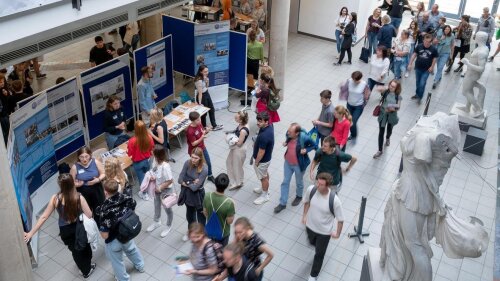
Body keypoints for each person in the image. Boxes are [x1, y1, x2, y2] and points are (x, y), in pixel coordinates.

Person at [24, 174, 96, 278]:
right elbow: (89, 214)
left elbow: (44, 217)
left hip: (65, 231)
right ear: (72, 183)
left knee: (75, 251)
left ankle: (83, 267)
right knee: (84, 248)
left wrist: (30, 233)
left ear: (60, 185)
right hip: (79, 228)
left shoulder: (55, 198)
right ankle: (86, 271)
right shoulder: (79, 197)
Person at [95, 180, 145, 281]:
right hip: (127, 233)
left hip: (114, 240)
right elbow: (132, 209)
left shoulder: (104, 210)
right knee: (132, 250)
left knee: (117, 261)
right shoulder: (127, 198)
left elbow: (104, 235)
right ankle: (140, 266)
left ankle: (123, 279)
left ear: (105, 192)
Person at [302, 173, 344, 281]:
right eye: (317, 182)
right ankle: (317, 246)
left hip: (324, 233)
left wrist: (338, 233)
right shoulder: (311, 190)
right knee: (311, 242)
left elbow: (340, 219)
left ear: (327, 186)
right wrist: (304, 215)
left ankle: (313, 275)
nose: (317, 185)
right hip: (310, 227)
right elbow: (306, 202)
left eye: (321, 184)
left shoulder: (334, 201)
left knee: (319, 254)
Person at [274, 123, 317, 214]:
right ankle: (282, 203)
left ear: (297, 133)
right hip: (288, 163)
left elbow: (315, 145)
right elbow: (288, 137)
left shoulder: (304, 138)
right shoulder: (288, 135)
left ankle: (299, 196)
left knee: (299, 181)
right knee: (285, 182)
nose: (288, 132)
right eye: (288, 130)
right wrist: (286, 142)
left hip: (298, 165)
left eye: (290, 132)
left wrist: (306, 150)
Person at [179, 147, 209, 242]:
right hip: (188, 194)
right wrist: (191, 182)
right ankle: (191, 231)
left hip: (199, 195)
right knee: (190, 215)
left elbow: (195, 188)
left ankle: (201, 233)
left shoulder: (204, 169)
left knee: (201, 216)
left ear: (200, 158)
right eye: (192, 157)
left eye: (196, 158)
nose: (193, 160)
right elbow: (179, 179)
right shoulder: (187, 163)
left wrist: (187, 181)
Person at [146, 145, 174, 238]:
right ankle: (157, 221)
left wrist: (161, 187)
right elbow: (154, 170)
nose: (151, 152)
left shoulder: (165, 166)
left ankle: (169, 225)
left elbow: (170, 180)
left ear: (157, 155)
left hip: (165, 190)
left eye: (153, 152)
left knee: (167, 209)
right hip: (157, 188)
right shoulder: (154, 160)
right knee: (157, 205)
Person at [70, 146, 106, 212]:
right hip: (83, 191)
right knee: (87, 211)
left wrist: (98, 180)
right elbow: (70, 183)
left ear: (90, 155)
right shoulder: (75, 167)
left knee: (99, 210)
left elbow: (103, 173)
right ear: (78, 157)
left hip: (97, 189)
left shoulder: (95, 162)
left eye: (86, 156)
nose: (84, 159)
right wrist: (77, 185)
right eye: (81, 157)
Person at [373, 79, 402, 159]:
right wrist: (386, 87)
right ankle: (379, 150)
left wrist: (390, 108)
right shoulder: (386, 92)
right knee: (381, 132)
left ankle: (388, 138)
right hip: (383, 114)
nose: (391, 87)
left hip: (391, 115)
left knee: (389, 129)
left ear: (397, 88)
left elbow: (398, 107)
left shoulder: (398, 96)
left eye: (393, 86)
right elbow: (377, 88)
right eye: (390, 85)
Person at [203, 173, 235, 246]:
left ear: (215, 183)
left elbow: (205, 213)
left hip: (209, 231)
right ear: (226, 186)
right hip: (223, 234)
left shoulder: (207, 196)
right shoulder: (229, 203)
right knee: (221, 253)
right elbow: (229, 221)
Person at [127, 120, 154, 201]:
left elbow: (129, 153)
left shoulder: (132, 141)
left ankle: (144, 193)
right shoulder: (149, 137)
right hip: (148, 160)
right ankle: (149, 188)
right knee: (147, 175)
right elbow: (152, 147)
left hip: (138, 163)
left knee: (141, 178)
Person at [340, 71, 370, 141]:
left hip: (358, 106)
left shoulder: (364, 84)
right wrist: (341, 85)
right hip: (349, 104)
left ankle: (353, 135)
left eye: (355, 80)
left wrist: (366, 96)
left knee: (353, 121)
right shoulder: (349, 81)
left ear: (359, 79)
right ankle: (352, 133)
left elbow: (367, 95)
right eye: (353, 79)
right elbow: (344, 88)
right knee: (348, 120)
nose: (353, 81)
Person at [252, 111, 275, 205]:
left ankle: (265, 195)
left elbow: (261, 151)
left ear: (266, 122)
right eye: (258, 120)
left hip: (262, 160)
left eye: (260, 121)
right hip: (267, 158)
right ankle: (264, 189)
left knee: (263, 178)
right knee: (265, 174)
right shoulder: (269, 127)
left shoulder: (265, 136)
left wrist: (257, 162)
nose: (258, 123)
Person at [408, 34, 438, 102]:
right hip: (418, 68)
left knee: (422, 83)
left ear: (431, 42)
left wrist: (432, 67)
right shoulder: (419, 46)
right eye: (426, 41)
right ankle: (417, 94)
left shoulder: (433, 49)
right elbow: (414, 55)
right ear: (423, 40)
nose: (427, 43)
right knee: (418, 82)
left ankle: (420, 97)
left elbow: (435, 58)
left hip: (426, 70)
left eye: (429, 42)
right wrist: (410, 64)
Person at [187, 111, 215, 183]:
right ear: (193, 121)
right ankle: (196, 179)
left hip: (202, 147)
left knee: (208, 162)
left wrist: (207, 131)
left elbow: (202, 132)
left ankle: (210, 175)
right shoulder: (190, 131)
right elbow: (193, 143)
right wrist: (202, 138)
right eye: (198, 120)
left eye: (199, 118)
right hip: (195, 151)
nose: (200, 120)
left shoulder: (199, 124)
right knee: (196, 165)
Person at [194, 65, 223, 131]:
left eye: (207, 71)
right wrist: (200, 103)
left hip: (206, 93)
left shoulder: (204, 76)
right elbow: (200, 93)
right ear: (201, 72)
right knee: (204, 113)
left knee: (211, 109)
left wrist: (207, 81)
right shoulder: (199, 80)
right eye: (205, 71)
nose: (207, 72)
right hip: (202, 96)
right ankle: (204, 127)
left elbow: (207, 87)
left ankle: (214, 125)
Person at [226, 111, 250, 190]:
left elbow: (239, 143)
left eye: (236, 118)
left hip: (239, 149)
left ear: (241, 120)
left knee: (236, 166)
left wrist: (230, 140)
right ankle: (235, 180)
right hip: (236, 148)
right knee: (229, 162)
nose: (234, 118)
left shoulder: (243, 131)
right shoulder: (241, 125)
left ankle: (238, 182)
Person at [432, 25, 454, 89]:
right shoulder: (439, 34)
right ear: (443, 30)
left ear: (450, 30)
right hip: (438, 53)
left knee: (441, 66)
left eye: (448, 29)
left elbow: (452, 45)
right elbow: (433, 42)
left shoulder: (452, 36)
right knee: (439, 66)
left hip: (446, 53)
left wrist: (451, 55)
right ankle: (439, 76)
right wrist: (440, 39)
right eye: (445, 29)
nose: (447, 30)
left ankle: (435, 81)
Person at [0, 75, 11, 144]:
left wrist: (6, 94)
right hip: (2, 116)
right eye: (0, 82)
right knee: (6, 132)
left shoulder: (3, 90)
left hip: (5, 113)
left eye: (3, 81)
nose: (2, 83)